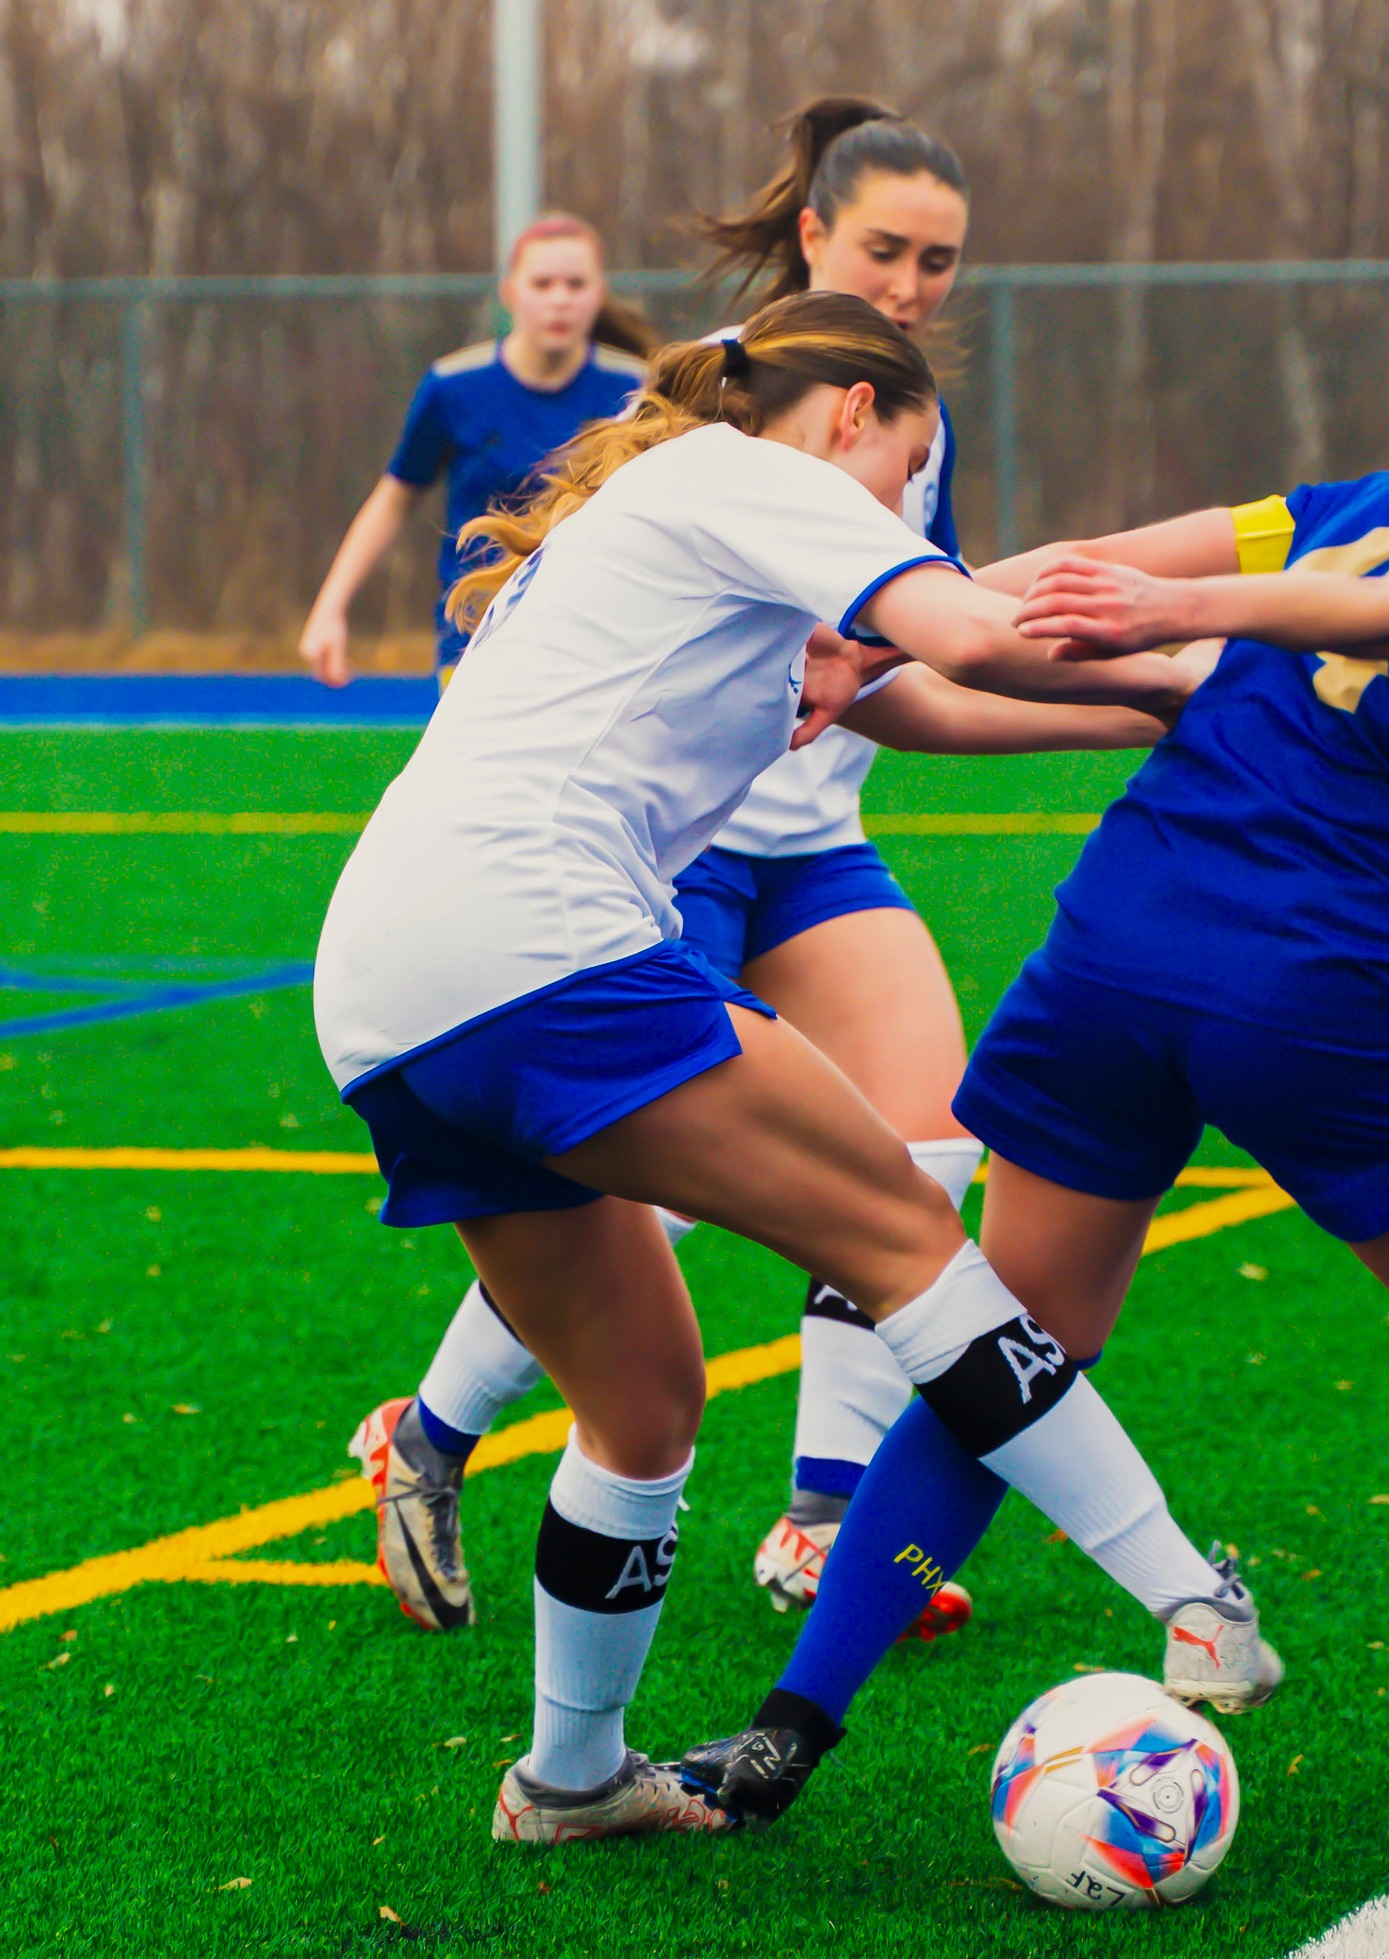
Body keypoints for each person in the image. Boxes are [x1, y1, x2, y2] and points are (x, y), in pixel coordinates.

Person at [681, 363, 1389, 1876]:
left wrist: (875, 621)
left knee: (1004, 1362)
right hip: (1317, 973)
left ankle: (782, 1733)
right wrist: (1156, 619)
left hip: (1117, 947)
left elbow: (1185, 542)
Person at [311, 292, 1278, 1847]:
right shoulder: (755, 479)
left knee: (642, 1401)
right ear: (849, 416)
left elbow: (925, 681)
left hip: (388, 992)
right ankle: (1195, 1598)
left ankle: (568, 1782)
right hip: (540, 942)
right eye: (907, 469)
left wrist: (1167, 702)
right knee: (909, 1238)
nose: (907, 507)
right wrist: (1274, 641)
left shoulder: (687, 503)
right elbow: (961, 622)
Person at [351, 102, 1012, 1640]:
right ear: (813, 244)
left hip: (821, 842)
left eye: (943, 262)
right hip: (676, 860)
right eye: (886, 253)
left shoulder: (916, 422)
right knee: (646, 1198)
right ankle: (429, 1436)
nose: (916, 285)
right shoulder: (728, 403)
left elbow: (914, 646)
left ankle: (818, 1515)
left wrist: (1138, 691)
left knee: (926, 1130)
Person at [298, 212, 653, 689]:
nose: (560, 299)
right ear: (510, 292)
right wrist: (329, 608)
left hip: (596, 641)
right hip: (474, 637)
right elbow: (395, 497)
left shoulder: (636, 389)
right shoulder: (453, 387)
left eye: (576, 284)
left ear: (599, 293)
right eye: (543, 283)